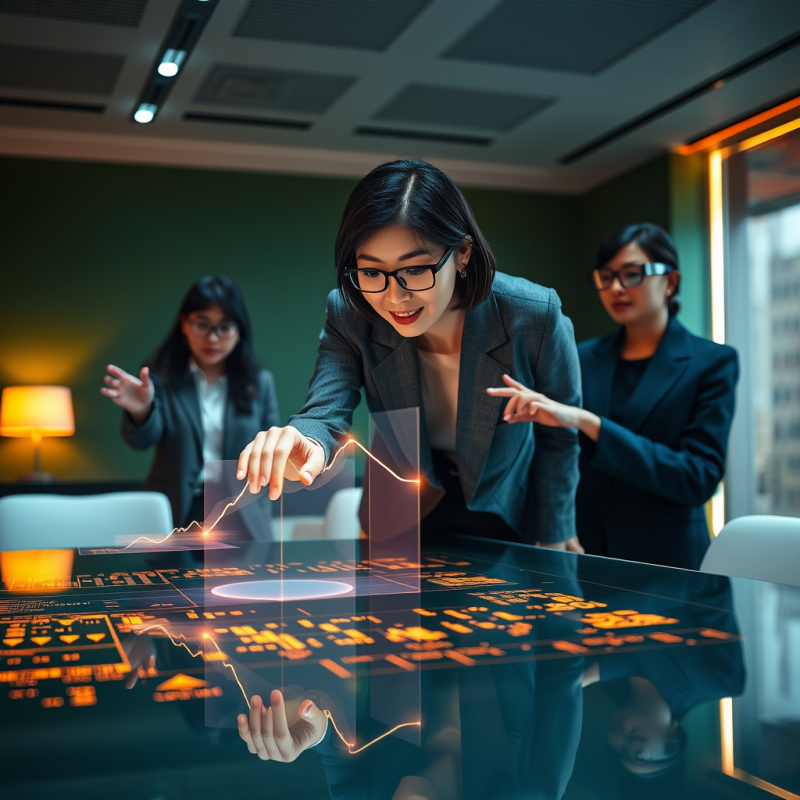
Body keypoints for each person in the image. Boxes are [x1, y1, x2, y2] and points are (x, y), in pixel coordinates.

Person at [236, 158, 582, 550]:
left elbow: (560, 433)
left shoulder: (534, 315)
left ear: (463, 253)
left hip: (505, 501)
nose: (394, 297)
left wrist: (557, 530)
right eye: (371, 272)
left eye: (415, 270)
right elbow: (325, 408)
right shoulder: (349, 313)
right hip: (400, 502)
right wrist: (307, 438)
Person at [487, 223, 739, 569]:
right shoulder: (581, 356)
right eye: (605, 277)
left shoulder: (712, 362)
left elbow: (697, 478)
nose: (616, 288)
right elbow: (553, 449)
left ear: (671, 282)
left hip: (667, 561)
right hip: (581, 548)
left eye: (632, 274)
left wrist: (590, 424)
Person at [102, 275, 279, 534]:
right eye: (202, 324)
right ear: (184, 324)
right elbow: (140, 441)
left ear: (239, 331)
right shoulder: (157, 377)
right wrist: (141, 410)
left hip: (241, 514)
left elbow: (270, 451)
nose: (213, 338)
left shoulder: (260, 383)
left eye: (225, 327)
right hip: (175, 513)